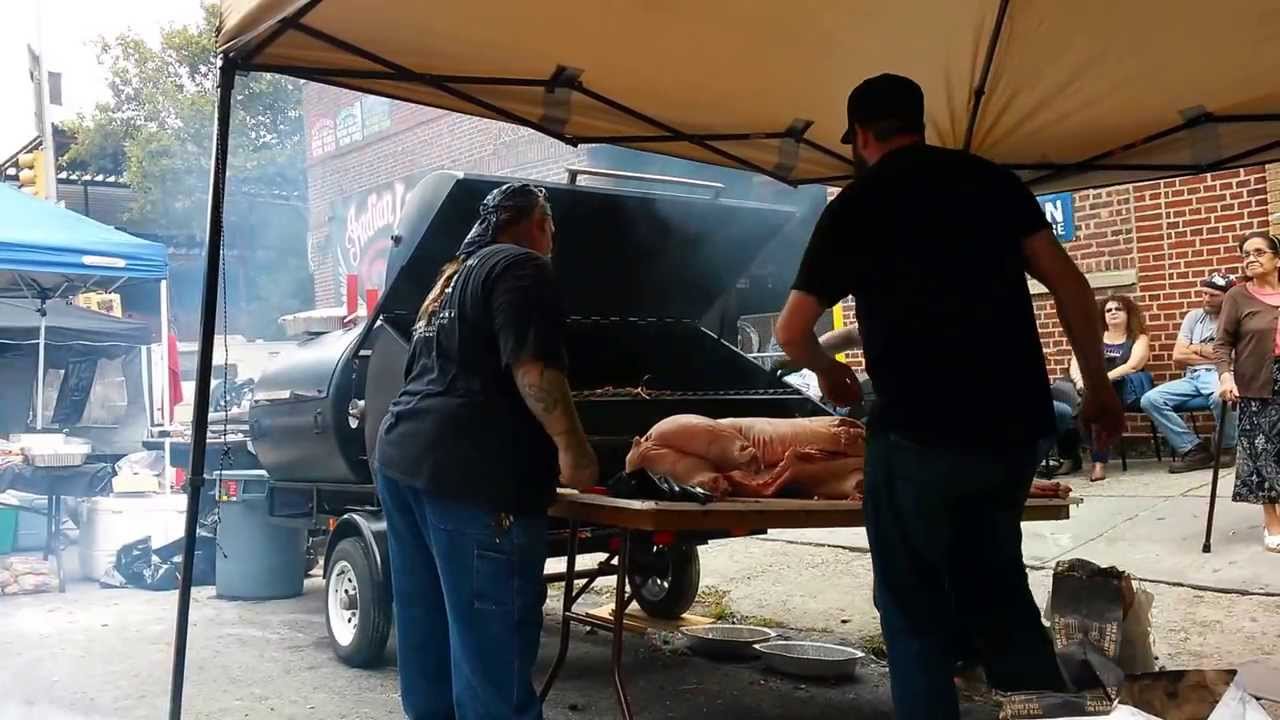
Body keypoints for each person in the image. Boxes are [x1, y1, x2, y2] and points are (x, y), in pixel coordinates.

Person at [775, 73, 1123, 720]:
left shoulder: (856, 204)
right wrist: (1098, 390)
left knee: (913, 614)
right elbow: (1074, 291)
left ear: (860, 136)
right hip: (1011, 432)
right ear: (918, 123)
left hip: (917, 434)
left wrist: (828, 370)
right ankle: (1050, 713)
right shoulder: (990, 181)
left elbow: (791, 331)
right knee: (997, 592)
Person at [373, 183, 599, 719]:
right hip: (470, 473)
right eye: (552, 228)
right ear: (538, 223)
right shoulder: (521, 266)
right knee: (488, 645)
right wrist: (573, 449)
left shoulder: (450, 281)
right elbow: (535, 370)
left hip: (405, 459)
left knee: (427, 627)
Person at [1214, 231, 1280, 553]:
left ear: (1276, 259)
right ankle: (1272, 521)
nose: (1250, 258)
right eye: (1245, 254)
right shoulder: (1237, 296)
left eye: (1258, 252)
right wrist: (1226, 377)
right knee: (1262, 454)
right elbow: (1222, 344)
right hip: (1256, 382)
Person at [1141, 272, 1239, 472]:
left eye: (1213, 295)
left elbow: (1235, 356)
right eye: (1204, 293)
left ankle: (1227, 448)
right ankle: (1194, 449)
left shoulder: (1236, 319)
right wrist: (1214, 353)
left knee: (1224, 398)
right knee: (1150, 400)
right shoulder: (1194, 317)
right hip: (1192, 378)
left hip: (1221, 375)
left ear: (1227, 297)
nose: (1206, 299)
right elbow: (1178, 355)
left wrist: (1197, 347)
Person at [1067, 294, 1152, 481]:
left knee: (1100, 401)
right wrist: (1081, 382)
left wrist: (1098, 382)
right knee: (1071, 397)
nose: (1113, 312)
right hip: (1091, 390)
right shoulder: (1093, 338)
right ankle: (1080, 458)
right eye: (1108, 310)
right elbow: (1076, 363)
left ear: (1128, 314)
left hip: (1124, 388)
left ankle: (1097, 463)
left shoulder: (1138, 338)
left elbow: (1133, 365)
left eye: (1118, 309)